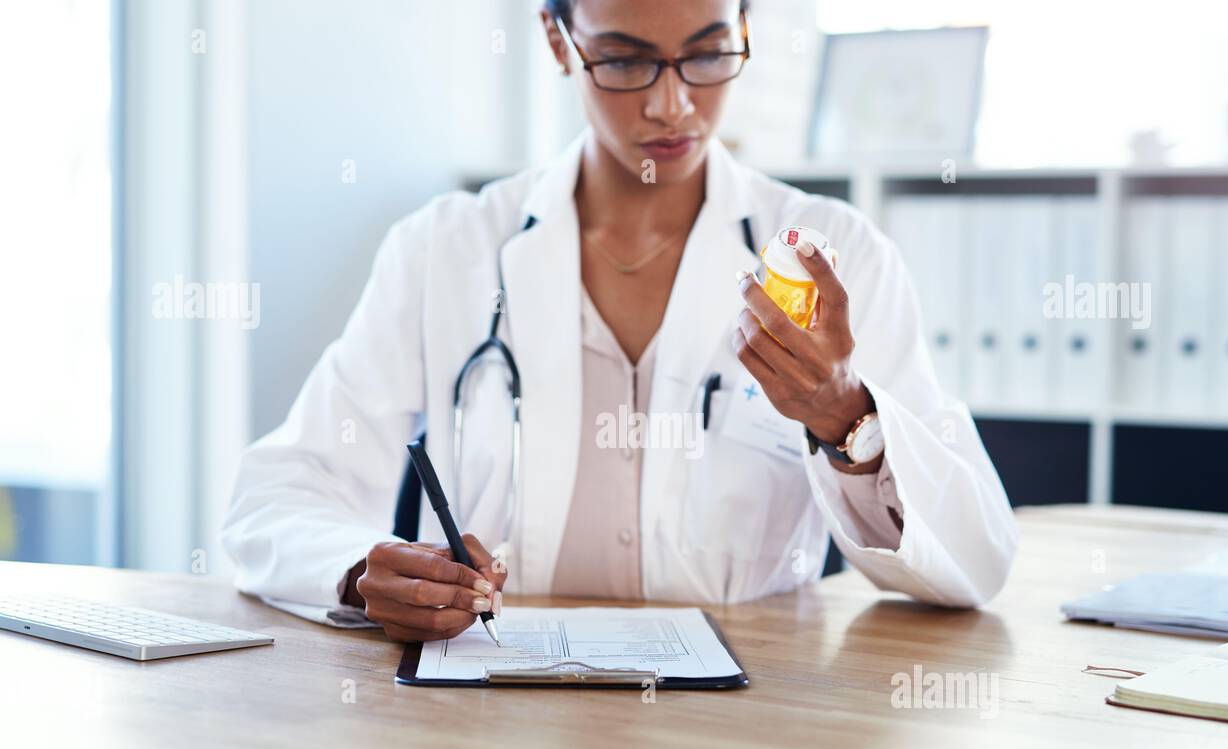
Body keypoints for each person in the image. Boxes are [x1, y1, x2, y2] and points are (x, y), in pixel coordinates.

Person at [222, 0, 1018, 643]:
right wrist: (360, 574)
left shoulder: (832, 256)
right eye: (626, 60)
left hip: (751, 734)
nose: (673, 104)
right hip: (492, 729)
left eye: (709, 53)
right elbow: (274, 498)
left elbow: (975, 559)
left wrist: (849, 418)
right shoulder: (445, 251)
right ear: (558, 38)